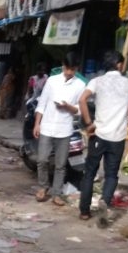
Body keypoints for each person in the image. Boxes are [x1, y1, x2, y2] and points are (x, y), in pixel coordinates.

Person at [78, 50, 128, 220]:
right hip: (118, 137)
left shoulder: (97, 81)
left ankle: (84, 211)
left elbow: (82, 100)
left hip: (98, 134)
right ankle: (105, 199)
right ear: (119, 65)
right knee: (111, 174)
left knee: (90, 173)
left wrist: (89, 124)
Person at [33, 52, 86, 206]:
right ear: (63, 66)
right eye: (66, 68)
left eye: (72, 69)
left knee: (60, 164)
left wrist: (68, 107)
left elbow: (80, 110)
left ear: (76, 68)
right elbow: (42, 103)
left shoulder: (80, 85)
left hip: (65, 129)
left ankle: (56, 193)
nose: (68, 72)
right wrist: (37, 123)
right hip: (47, 126)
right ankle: (43, 187)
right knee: (42, 160)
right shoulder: (52, 81)